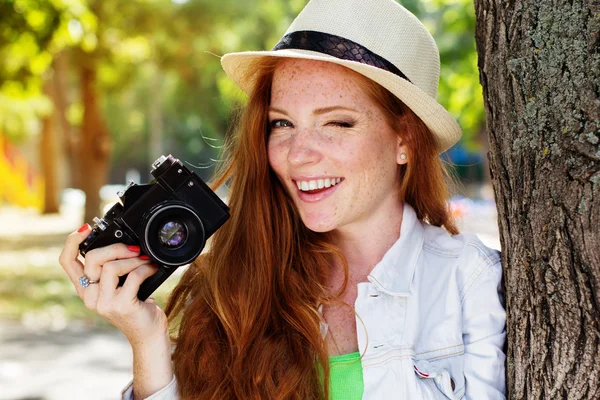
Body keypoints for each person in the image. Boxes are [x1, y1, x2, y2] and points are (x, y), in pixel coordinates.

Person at [59, 0, 506, 398]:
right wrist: (147, 339)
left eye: (337, 124)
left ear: (404, 138)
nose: (298, 155)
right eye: (281, 124)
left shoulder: (468, 281)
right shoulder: (235, 281)